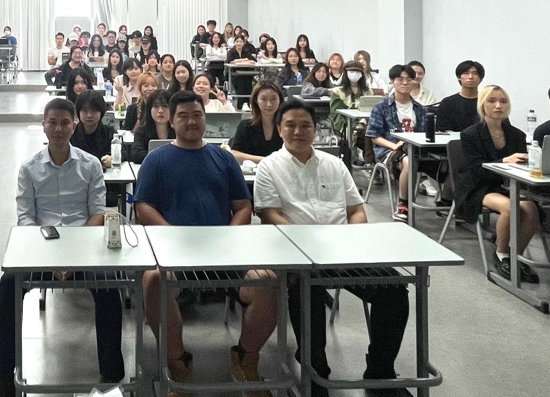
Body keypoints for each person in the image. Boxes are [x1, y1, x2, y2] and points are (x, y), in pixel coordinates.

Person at [254, 98, 409, 388]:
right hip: (296, 255)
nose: (298, 131)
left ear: (315, 130)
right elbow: (271, 215)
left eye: (305, 126)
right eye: (291, 125)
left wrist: (352, 239)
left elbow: (355, 210)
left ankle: (380, 371)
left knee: (394, 289)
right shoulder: (268, 168)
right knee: (307, 293)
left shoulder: (334, 164)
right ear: (279, 129)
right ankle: (316, 373)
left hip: (342, 252)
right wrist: (308, 243)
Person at [134, 90, 278, 395]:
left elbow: (243, 206)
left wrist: (226, 235)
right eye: (183, 116)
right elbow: (143, 207)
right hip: (172, 253)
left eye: (197, 115)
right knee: (153, 281)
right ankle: (177, 363)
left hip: (225, 253)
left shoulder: (223, 157)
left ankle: (245, 356)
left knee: (269, 282)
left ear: (205, 119)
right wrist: (173, 234)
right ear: (172, 121)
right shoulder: (155, 160)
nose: (191, 121)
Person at [0, 98, 122, 397]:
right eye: (52, 122)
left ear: (74, 125)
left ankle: (112, 376)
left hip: (83, 250)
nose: (58, 128)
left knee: (110, 286)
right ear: (44, 125)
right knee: (9, 285)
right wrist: (51, 257)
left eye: (64, 122)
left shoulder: (91, 164)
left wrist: (75, 257)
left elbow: (97, 212)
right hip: (41, 248)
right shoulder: (29, 168)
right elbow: (26, 218)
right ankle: (4, 377)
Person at [457, 85, 541, 282]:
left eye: (503, 101)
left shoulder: (517, 135)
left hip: (507, 185)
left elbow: (520, 167)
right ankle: (501, 253)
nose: (498, 106)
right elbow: (474, 169)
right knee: (510, 208)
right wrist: (503, 161)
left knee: (530, 208)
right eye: (491, 101)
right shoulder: (470, 134)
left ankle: (515, 255)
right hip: (478, 186)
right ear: (482, 105)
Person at [365, 65, 429, 222]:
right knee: (408, 161)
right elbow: (374, 136)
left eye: (409, 79)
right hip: (389, 150)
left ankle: (448, 201)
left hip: (415, 149)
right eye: (400, 79)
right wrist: (393, 146)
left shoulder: (420, 109)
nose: (405, 83)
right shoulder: (381, 107)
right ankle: (403, 204)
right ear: (392, 82)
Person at [227, 82, 284, 164]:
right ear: (256, 100)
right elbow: (235, 153)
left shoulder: (287, 126)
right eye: (263, 99)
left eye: (273, 99)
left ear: (280, 100)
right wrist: (266, 160)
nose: (269, 104)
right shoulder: (245, 125)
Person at [328, 60, 373, 163]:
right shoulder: (338, 91)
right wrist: (346, 127)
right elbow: (336, 114)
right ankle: (364, 162)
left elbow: (372, 112)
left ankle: (371, 163)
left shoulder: (368, 92)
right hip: (344, 125)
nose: (354, 75)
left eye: (357, 72)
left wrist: (363, 124)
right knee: (365, 136)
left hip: (365, 125)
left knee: (372, 134)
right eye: (351, 72)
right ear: (345, 73)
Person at [434, 60, 485, 132]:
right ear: (459, 77)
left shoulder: (486, 102)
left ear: (481, 78)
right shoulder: (448, 103)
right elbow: (443, 129)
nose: (470, 77)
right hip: (455, 141)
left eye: (475, 73)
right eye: (466, 73)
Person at [71, 90, 116, 168]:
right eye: (85, 110)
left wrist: (112, 158)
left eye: (94, 110)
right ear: (78, 112)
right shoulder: (71, 133)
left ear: (101, 112)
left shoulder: (109, 132)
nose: (89, 115)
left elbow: (123, 152)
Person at [127, 90, 173, 165]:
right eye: (156, 106)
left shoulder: (178, 131)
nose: (160, 111)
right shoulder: (141, 131)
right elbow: (136, 154)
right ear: (149, 109)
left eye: (165, 106)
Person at [226, 35, 258, 109]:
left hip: (246, 73)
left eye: (241, 41)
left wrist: (246, 60)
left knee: (248, 84)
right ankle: (241, 105)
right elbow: (230, 61)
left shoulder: (245, 51)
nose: (239, 43)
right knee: (241, 83)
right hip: (235, 74)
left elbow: (253, 60)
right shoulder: (231, 52)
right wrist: (243, 60)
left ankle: (248, 104)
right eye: (237, 41)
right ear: (234, 42)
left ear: (244, 43)